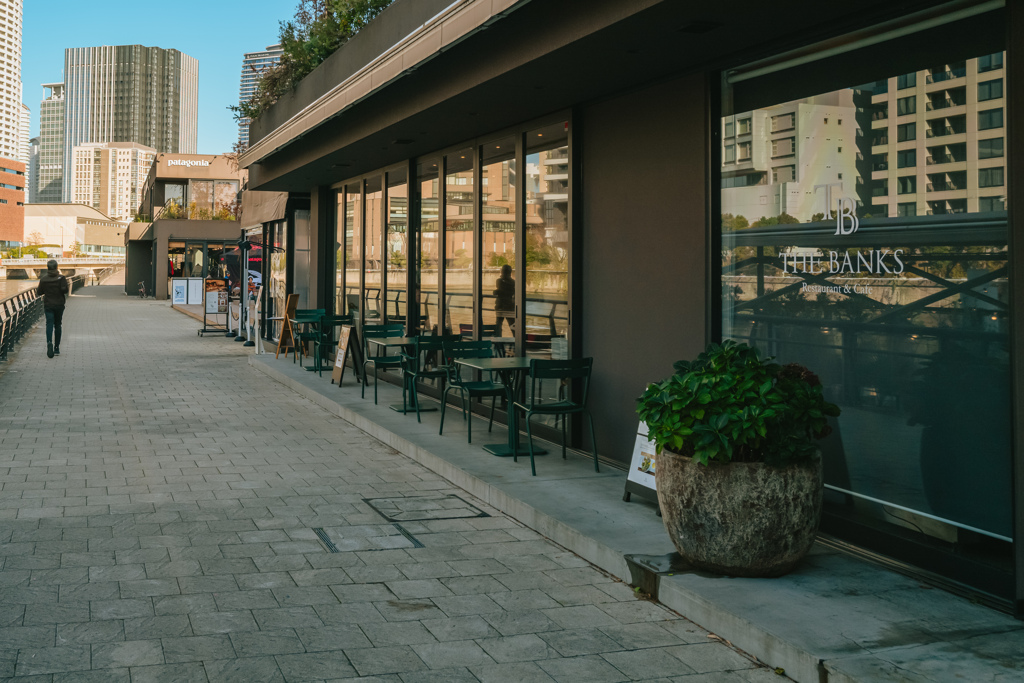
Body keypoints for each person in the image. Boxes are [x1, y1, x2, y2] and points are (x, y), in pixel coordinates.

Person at [36, 259, 69, 359]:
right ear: (56, 267)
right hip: (59, 304)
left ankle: (49, 342)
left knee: (49, 324)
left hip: (48, 305)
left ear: (47, 267)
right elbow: (65, 290)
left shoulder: (43, 279)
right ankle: (56, 348)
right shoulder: (61, 278)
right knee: (58, 324)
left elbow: (39, 292)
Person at [493, 264, 515, 336]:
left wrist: (497, 292)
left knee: (498, 325)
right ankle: (517, 339)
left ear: (502, 271)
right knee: (512, 325)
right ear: (510, 272)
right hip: (510, 306)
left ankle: (498, 342)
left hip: (500, 306)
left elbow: (499, 289)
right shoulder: (513, 282)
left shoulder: (499, 281)